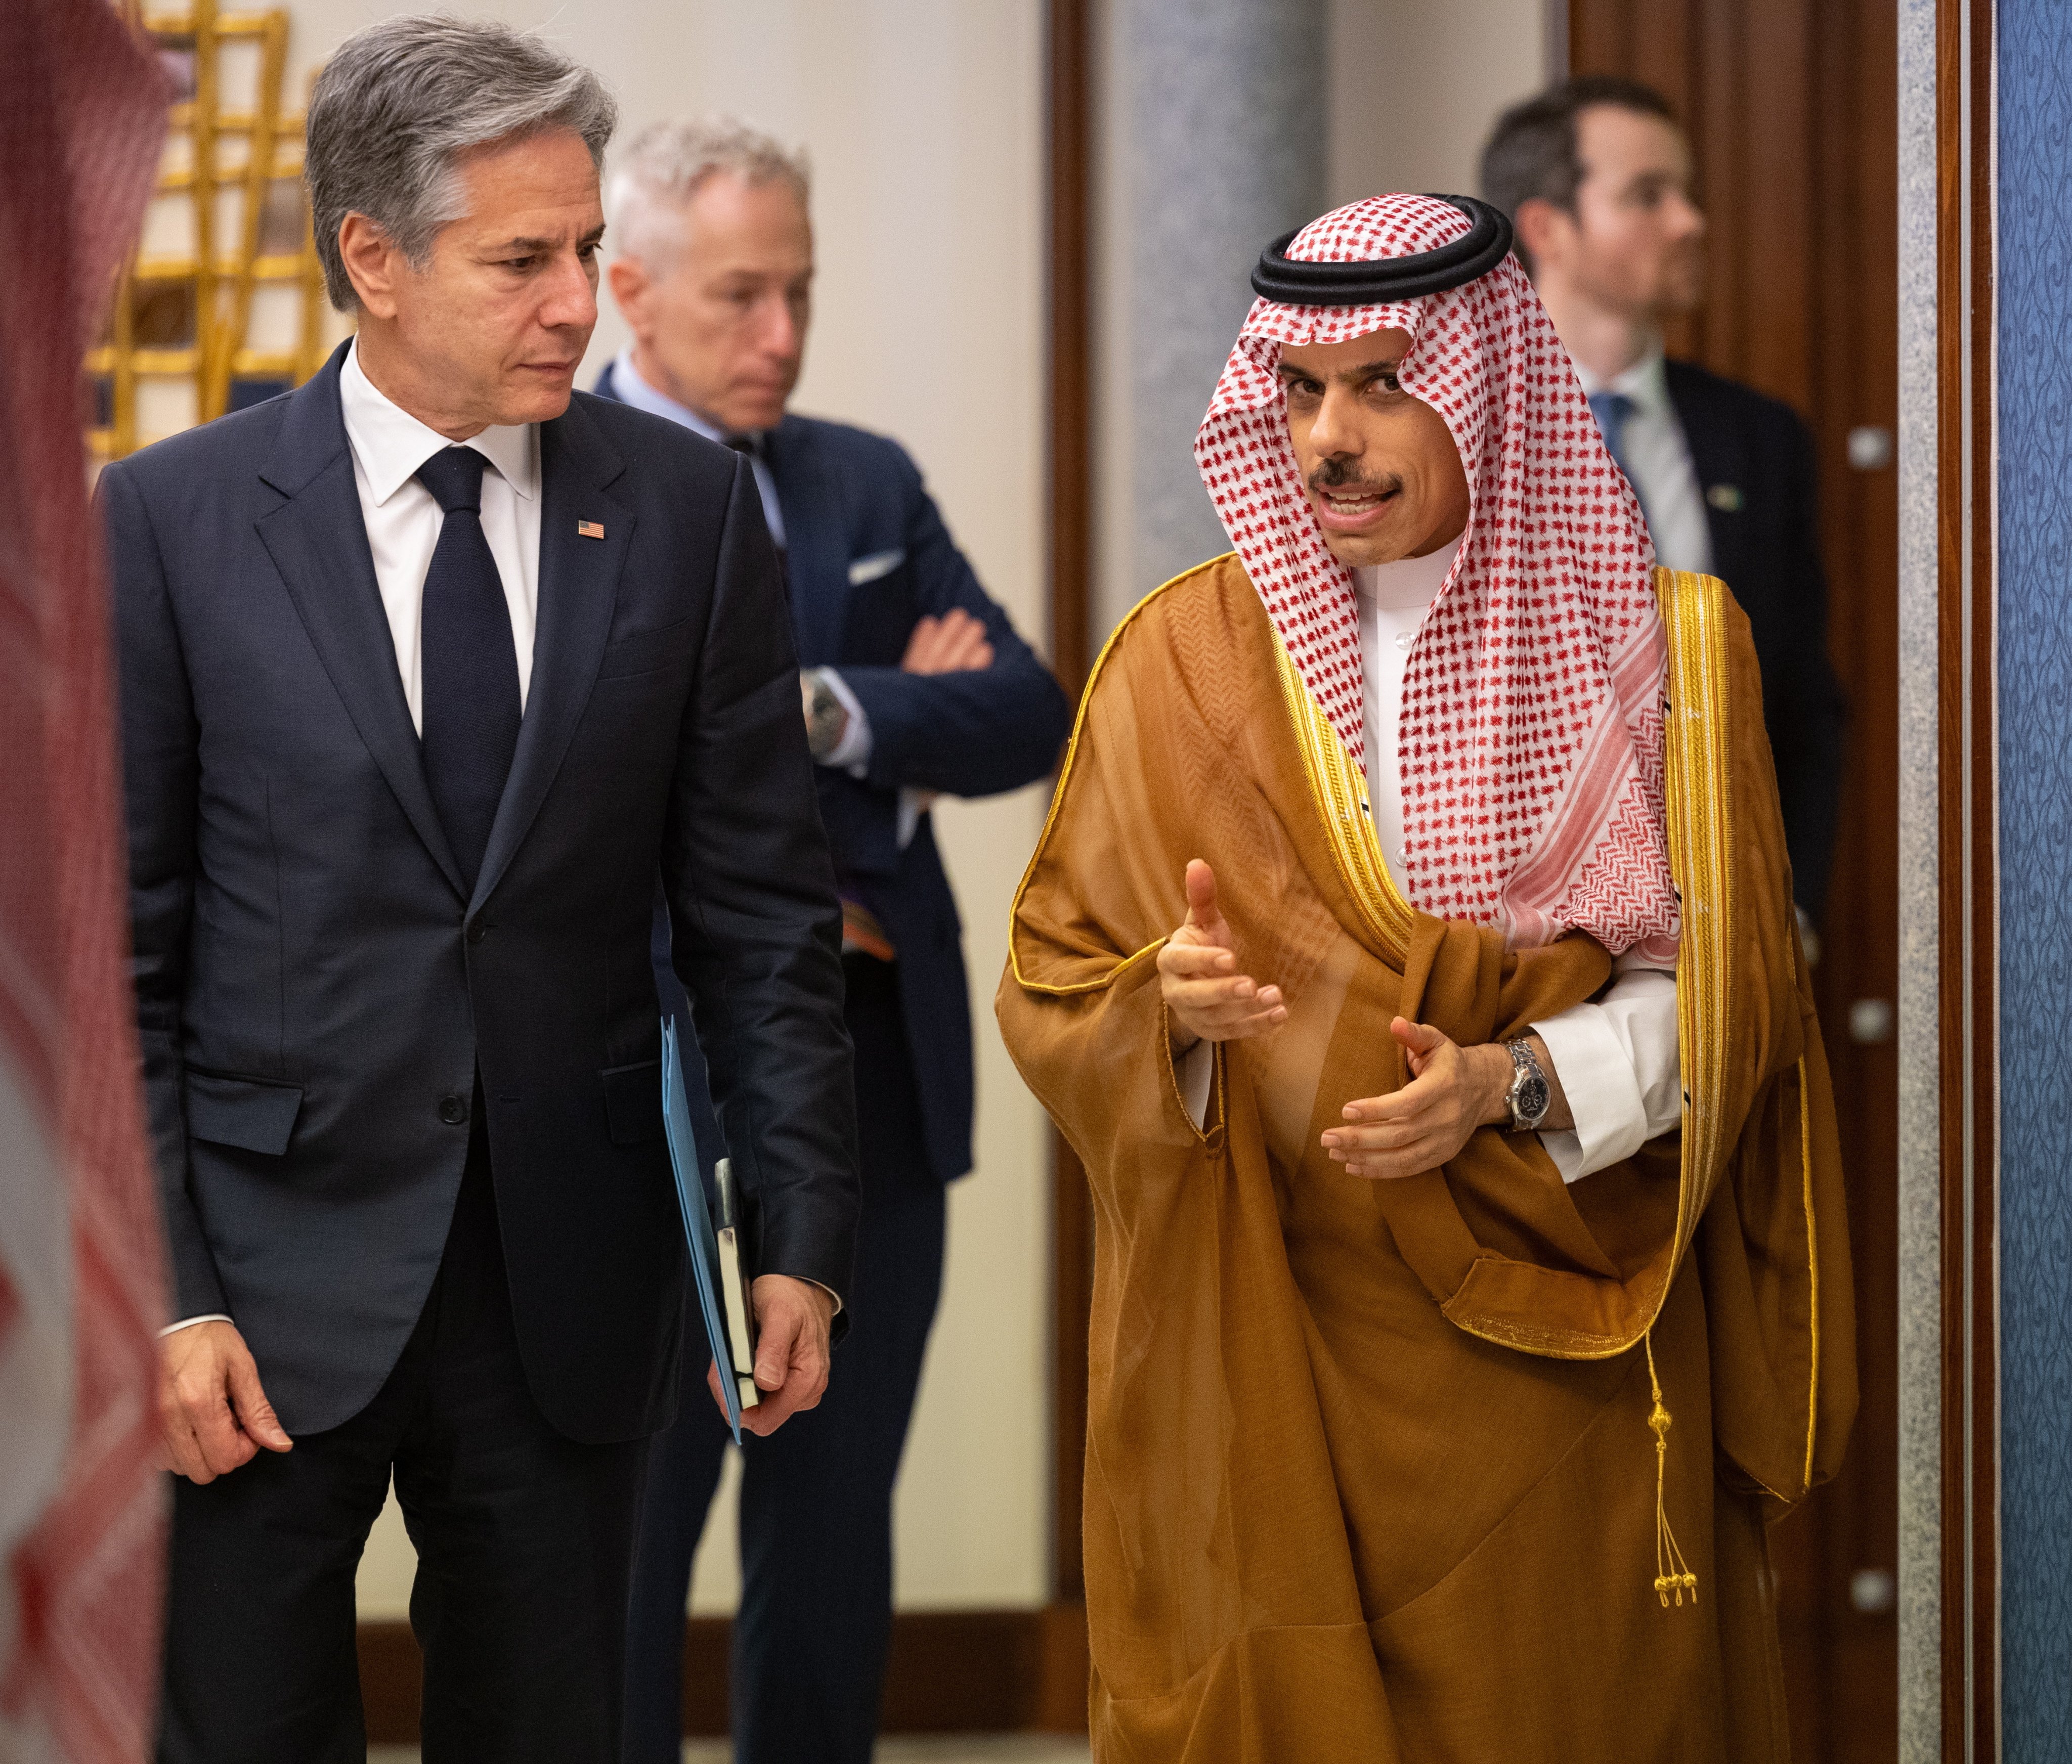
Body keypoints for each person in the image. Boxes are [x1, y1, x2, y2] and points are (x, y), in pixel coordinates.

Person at [996, 193, 1856, 1759]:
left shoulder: (1669, 654)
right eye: (1305, 389)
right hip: (1282, 1346)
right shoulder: (1177, 660)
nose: (1332, 436)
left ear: (1493, 389)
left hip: (1558, 1351)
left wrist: (1512, 1085)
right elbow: (1059, 982)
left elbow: (1727, 1010)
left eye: (1388, 384)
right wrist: (1168, 1014)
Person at [105, 21, 859, 1762]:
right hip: (255, 1286)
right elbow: (115, 961)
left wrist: (796, 1225)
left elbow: (760, 911)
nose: (577, 302)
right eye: (522, 259)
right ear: (370, 256)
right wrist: (159, 1289)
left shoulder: (685, 514)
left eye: (586, 249)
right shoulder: (167, 522)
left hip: (571, 1288)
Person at [594, 120, 1072, 1764]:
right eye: (741, 295)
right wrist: (888, 758)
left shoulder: (858, 477)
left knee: (834, 1503)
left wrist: (818, 701)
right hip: (637, 1060)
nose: (782, 334)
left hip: (869, 1051)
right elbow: (603, 785)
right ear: (628, 292)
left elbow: (1019, 705)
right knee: (630, 1525)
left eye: (800, 289)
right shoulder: (553, 469)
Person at [1479, 75, 1848, 943]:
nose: (1691, 222)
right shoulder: (1463, 439)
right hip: (1515, 937)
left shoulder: (1762, 438)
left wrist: (1791, 907)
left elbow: (1799, 699)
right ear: (1547, 229)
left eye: (1686, 193)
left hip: (1722, 926)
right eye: (1649, 196)